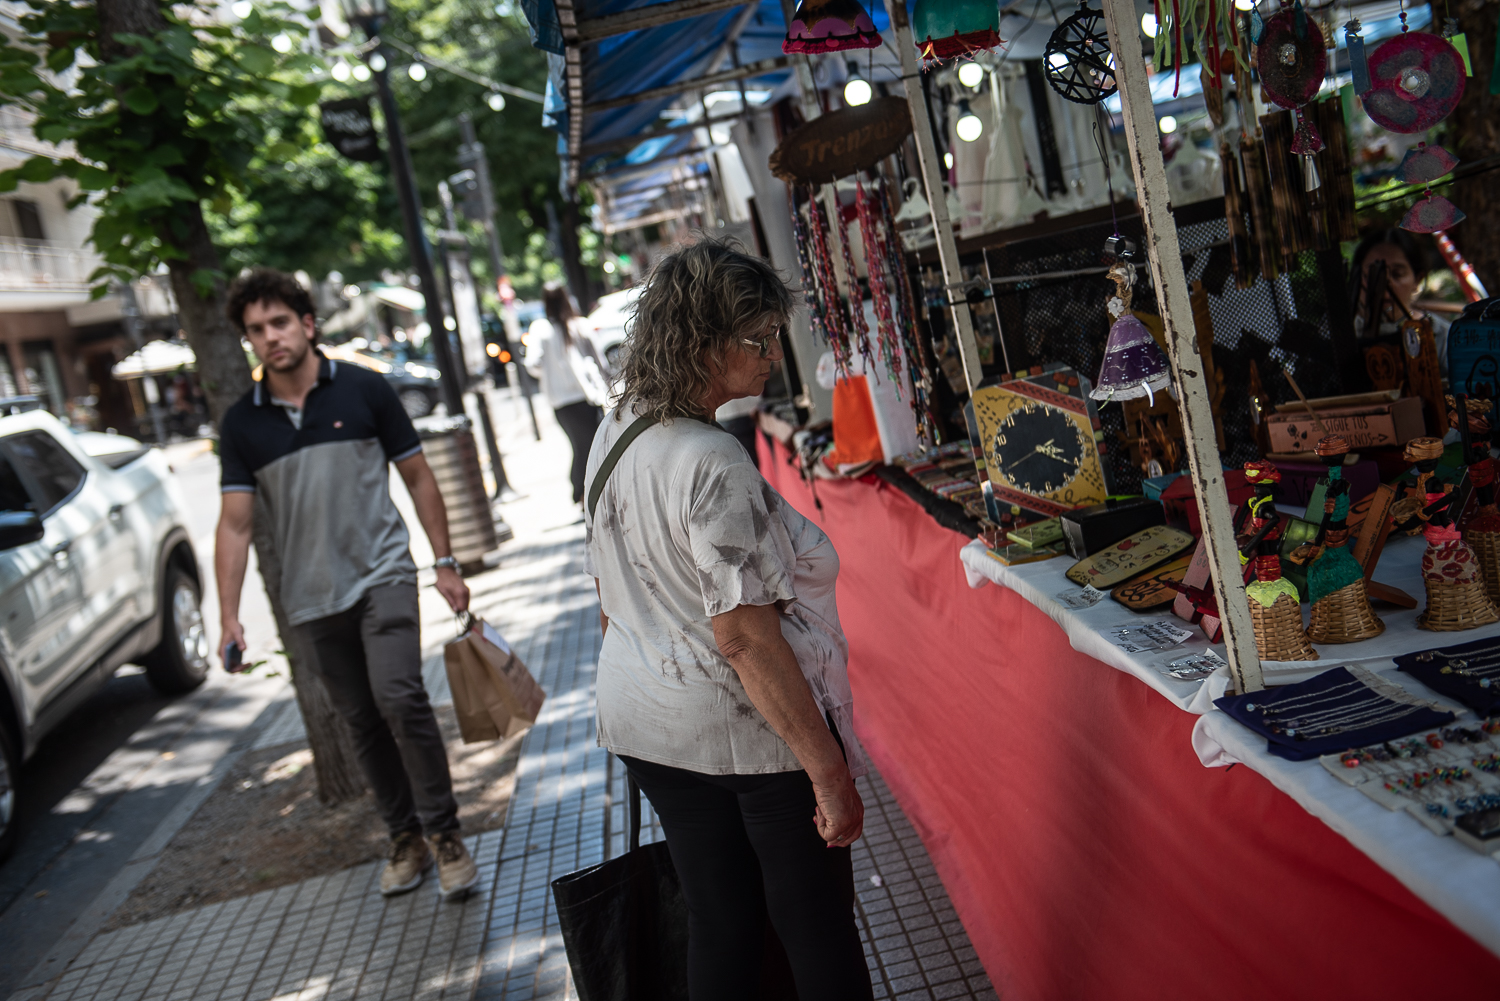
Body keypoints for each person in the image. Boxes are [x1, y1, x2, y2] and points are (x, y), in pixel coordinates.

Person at [583, 241, 874, 1000]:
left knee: (723, 919)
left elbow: (608, 586)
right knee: (815, 924)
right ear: (702, 344)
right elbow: (743, 636)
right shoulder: (714, 461)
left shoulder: (615, 424)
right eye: (759, 340)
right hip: (739, 728)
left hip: (643, 719)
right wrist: (828, 771)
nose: (773, 356)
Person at [213, 268, 479, 902]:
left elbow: (417, 476)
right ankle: (403, 838)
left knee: (400, 697)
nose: (270, 337)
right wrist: (227, 617)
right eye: (256, 330)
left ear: (307, 324)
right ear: (248, 341)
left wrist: (444, 561)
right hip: (309, 597)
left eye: (280, 322)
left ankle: (445, 836)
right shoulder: (243, 424)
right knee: (360, 720)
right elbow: (233, 524)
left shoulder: (363, 389)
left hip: (382, 574)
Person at [525, 285, 609, 504]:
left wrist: (549, 371)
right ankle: (582, 491)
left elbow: (532, 364)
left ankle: (585, 492)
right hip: (586, 396)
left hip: (563, 401)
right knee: (590, 445)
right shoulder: (578, 326)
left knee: (583, 446)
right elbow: (601, 361)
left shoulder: (543, 330)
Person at [1351, 228, 1451, 367]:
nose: (1384, 285)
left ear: (1417, 279)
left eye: (1397, 274)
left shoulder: (1443, 337)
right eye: (1372, 275)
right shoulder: (1336, 335)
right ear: (1356, 277)